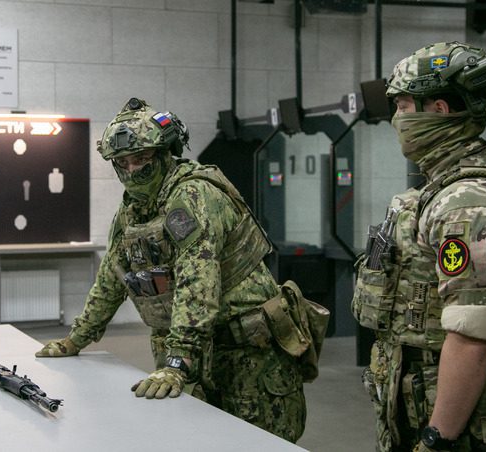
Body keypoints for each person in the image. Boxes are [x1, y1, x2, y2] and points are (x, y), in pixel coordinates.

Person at [35, 97, 307, 442]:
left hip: (247, 355)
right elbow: (111, 279)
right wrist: (75, 339)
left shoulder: (193, 194)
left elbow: (199, 279)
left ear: (165, 153)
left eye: (142, 160)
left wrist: (177, 361)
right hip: (200, 356)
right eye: (123, 163)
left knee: (258, 443)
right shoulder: (134, 209)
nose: (132, 171)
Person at [352, 41, 486, 451]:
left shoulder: (470, 202)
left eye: (402, 106)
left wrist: (437, 439)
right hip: (436, 407)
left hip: (472, 426)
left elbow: (473, 337)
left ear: (439, 110)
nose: (396, 119)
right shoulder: (444, 192)